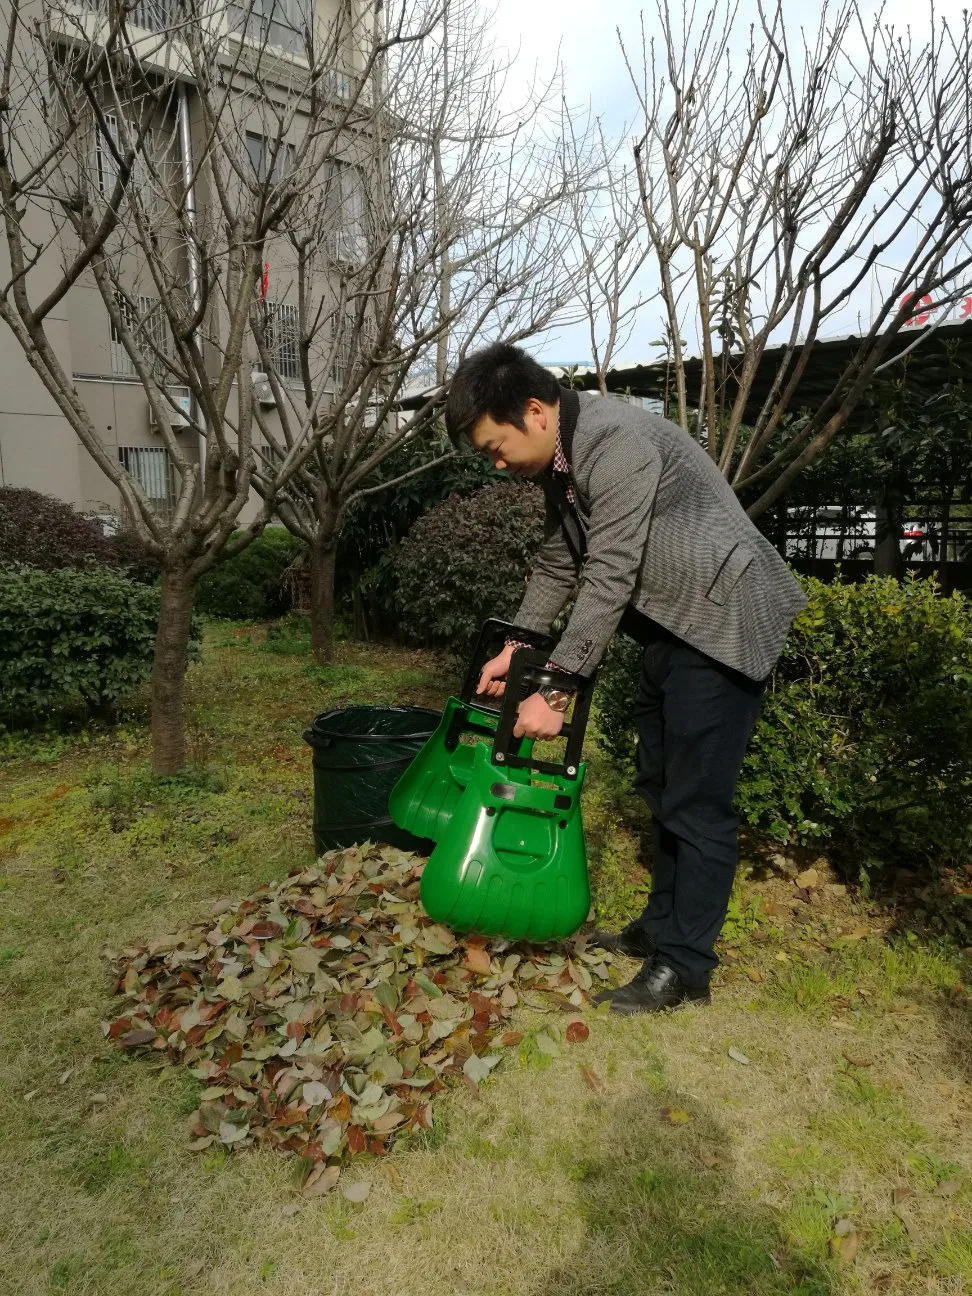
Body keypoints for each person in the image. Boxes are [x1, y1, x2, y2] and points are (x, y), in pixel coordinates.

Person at [445, 342, 807, 1014]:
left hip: (722, 618)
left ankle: (685, 968)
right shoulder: (561, 460)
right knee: (660, 782)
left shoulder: (616, 441)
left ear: (533, 410)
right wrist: (518, 645)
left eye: (495, 448)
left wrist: (554, 690)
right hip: (675, 624)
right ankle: (662, 931)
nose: (495, 464)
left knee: (697, 801)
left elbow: (609, 571)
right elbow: (559, 563)